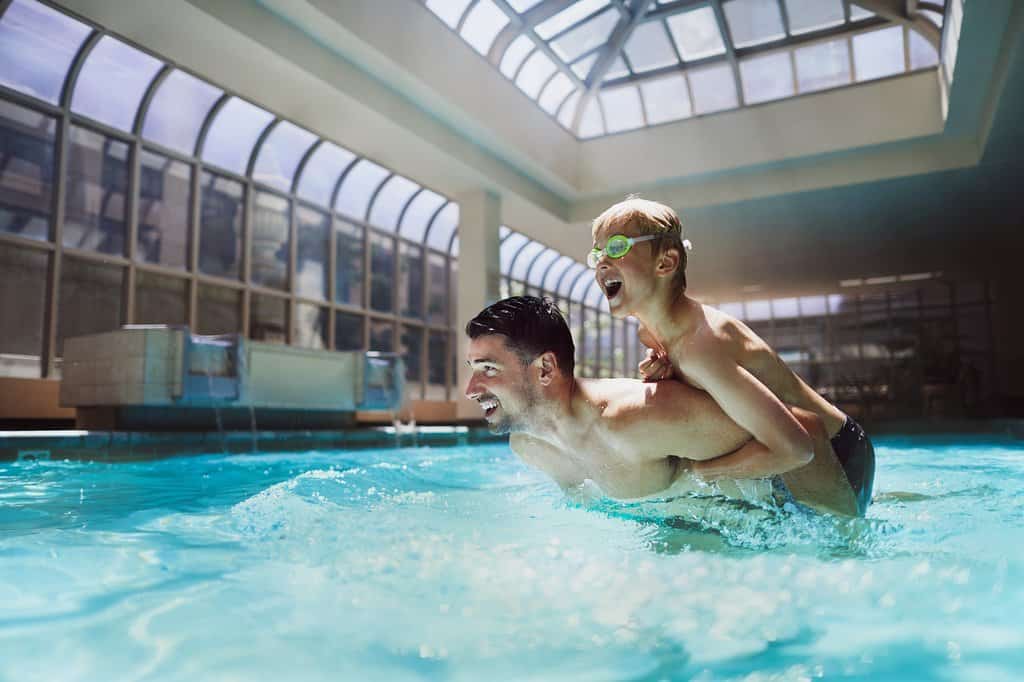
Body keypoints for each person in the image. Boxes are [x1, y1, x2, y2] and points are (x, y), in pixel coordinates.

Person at [589, 197, 874, 515]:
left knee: (841, 549)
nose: (601, 262)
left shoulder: (701, 346)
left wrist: (700, 473)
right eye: (597, 252)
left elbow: (796, 449)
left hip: (837, 449)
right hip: (795, 446)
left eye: (616, 247)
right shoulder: (655, 336)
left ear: (665, 264)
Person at [464, 296, 858, 515]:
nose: (470, 388)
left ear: (545, 368)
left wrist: (843, 540)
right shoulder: (530, 447)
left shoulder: (637, 418)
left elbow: (804, 433)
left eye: (488, 369)